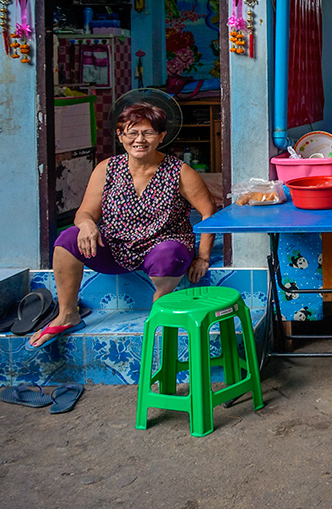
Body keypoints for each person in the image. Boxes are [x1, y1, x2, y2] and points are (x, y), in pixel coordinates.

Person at [28, 103, 216, 349]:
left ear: (161, 137)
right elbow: (85, 212)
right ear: (120, 136)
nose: (140, 139)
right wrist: (86, 224)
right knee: (68, 239)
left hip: (163, 246)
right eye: (131, 132)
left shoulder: (179, 171)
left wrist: (202, 256)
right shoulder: (106, 169)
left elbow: (209, 211)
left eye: (148, 133)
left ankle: (160, 312)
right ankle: (67, 314)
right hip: (116, 246)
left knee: (169, 253)